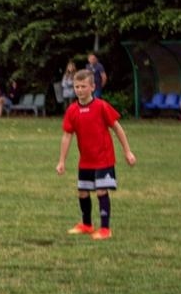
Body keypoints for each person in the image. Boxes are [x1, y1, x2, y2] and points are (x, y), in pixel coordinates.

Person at [57, 69, 136, 241]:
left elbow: (117, 127)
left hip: (103, 158)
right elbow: (67, 136)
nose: (79, 90)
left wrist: (127, 151)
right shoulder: (72, 110)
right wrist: (61, 161)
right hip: (86, 160)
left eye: (83, 86)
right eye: (76, 86)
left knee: (101, 190)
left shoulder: (101, 106)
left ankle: (105, 229)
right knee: (83, 192)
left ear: (92, 87)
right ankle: (86, 225)